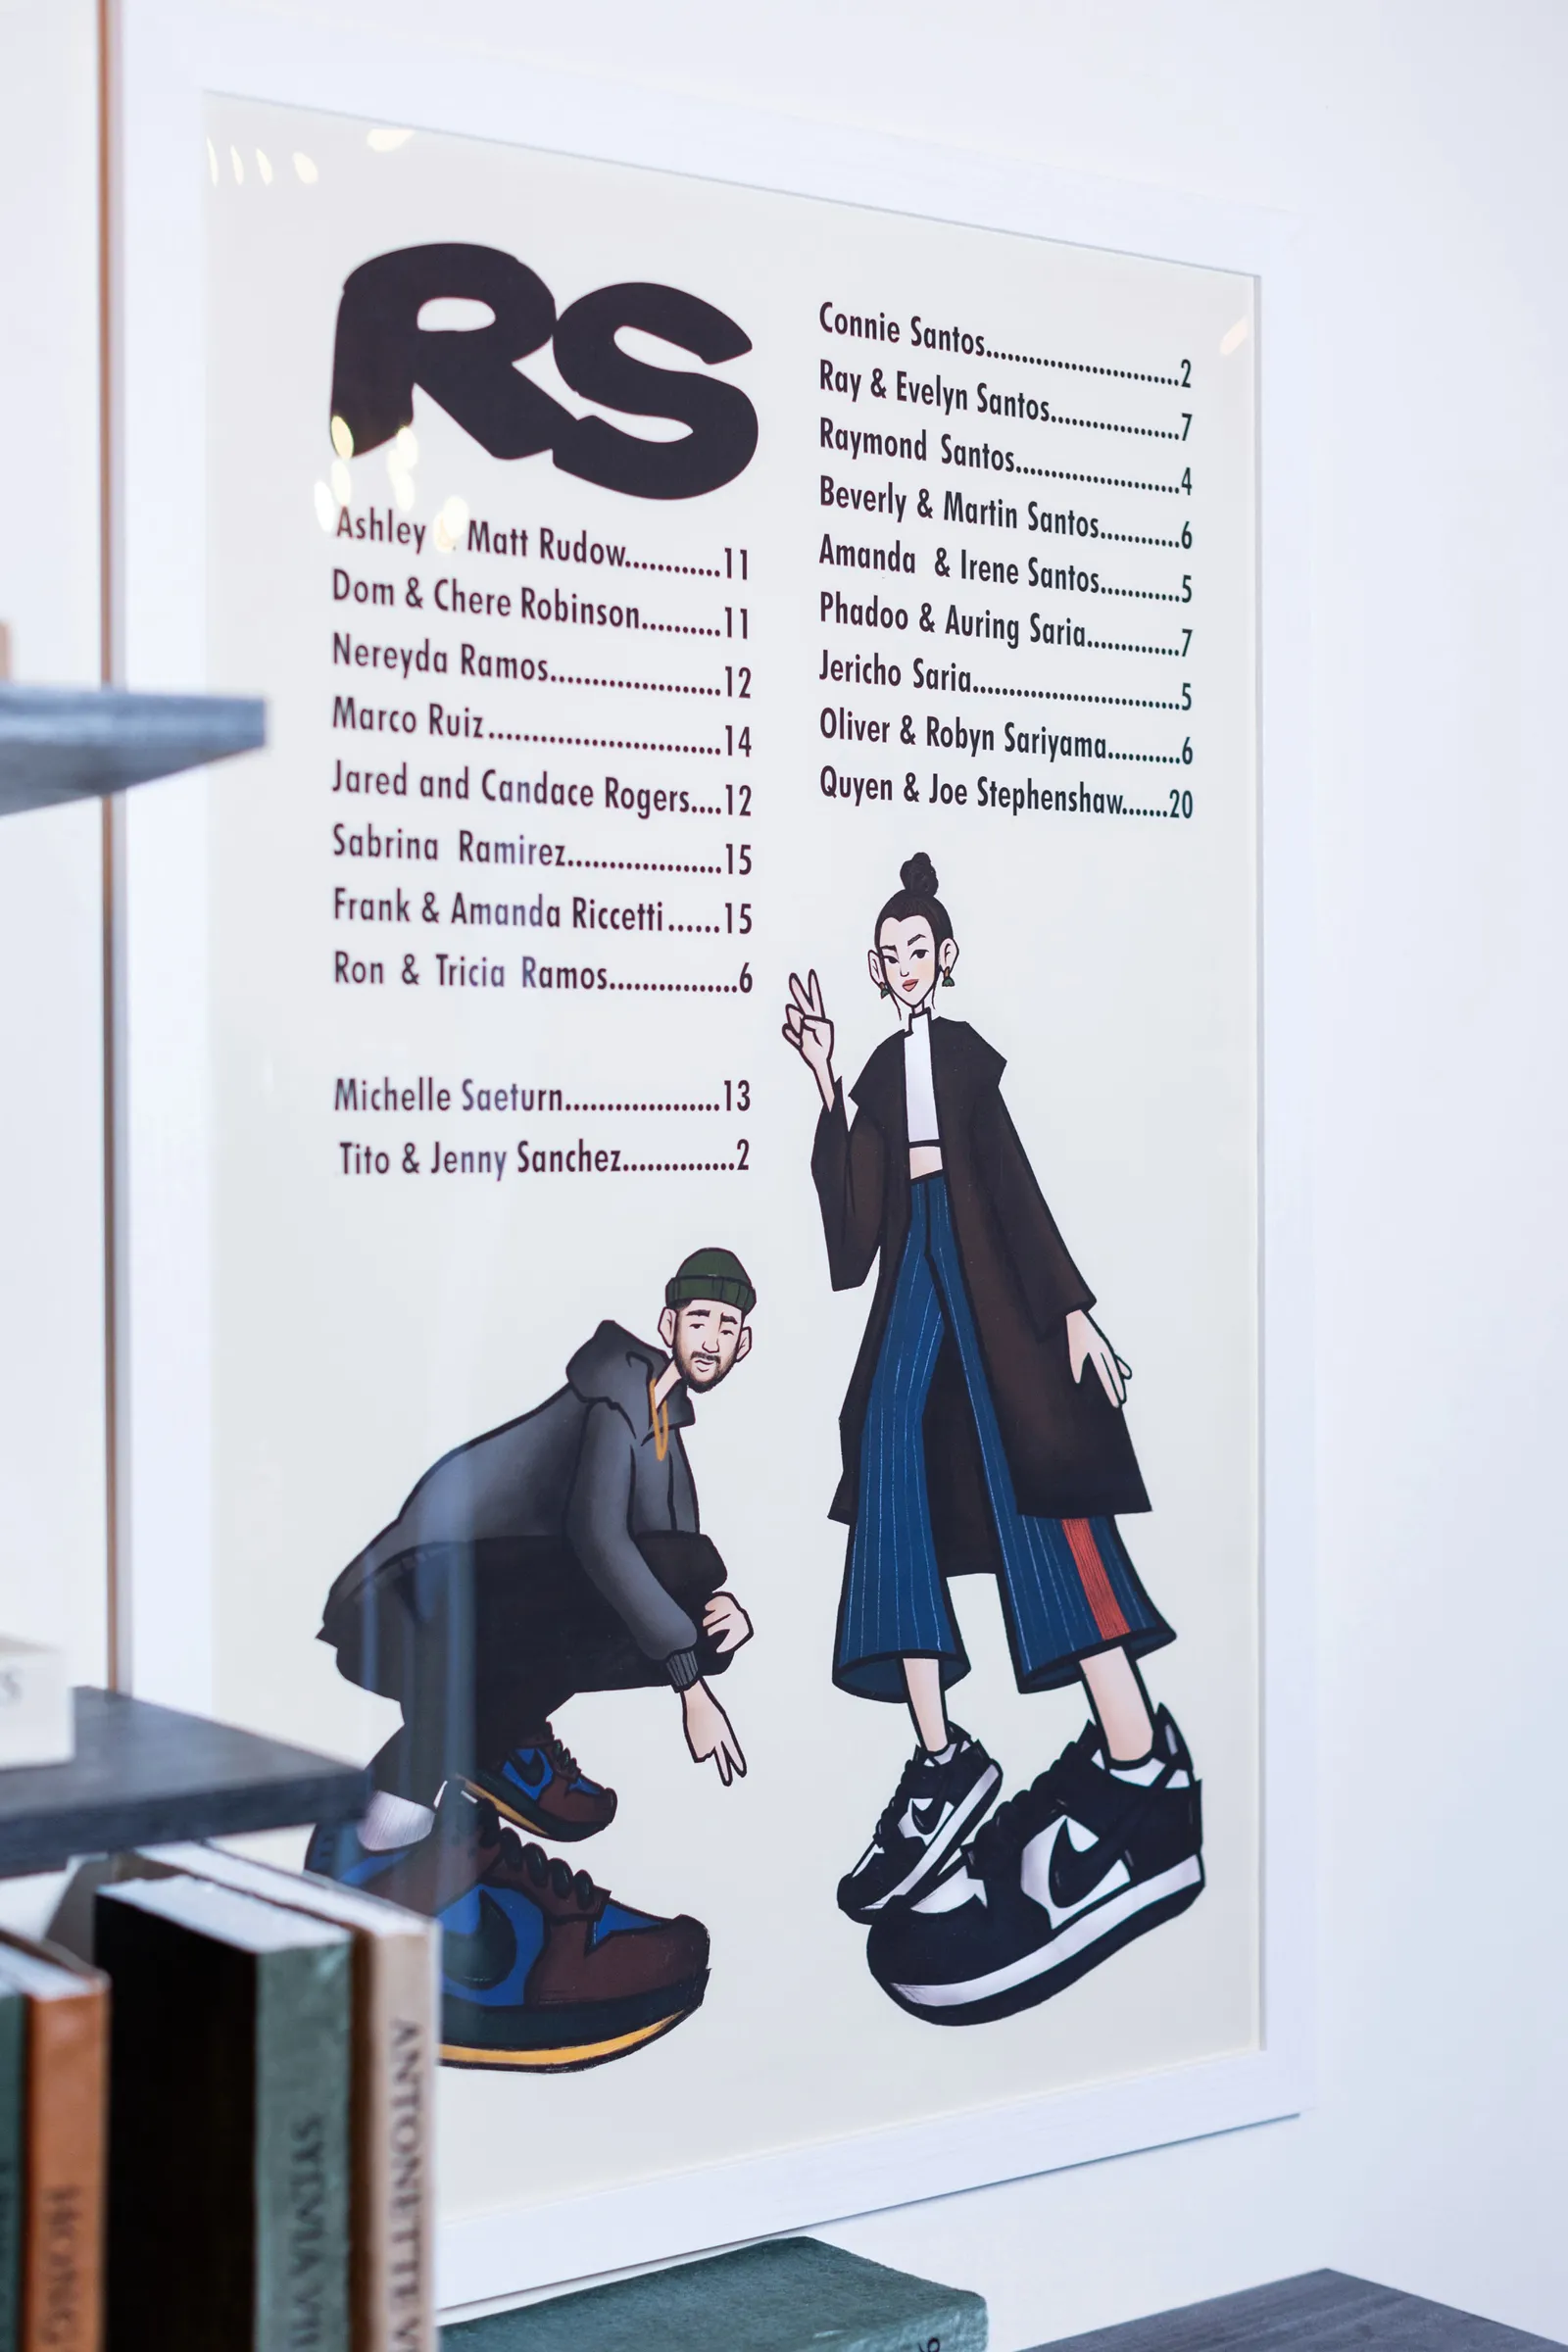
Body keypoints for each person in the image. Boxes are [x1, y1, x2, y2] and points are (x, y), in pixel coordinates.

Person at [783, 855, 1202, 2023]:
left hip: (988, 1276)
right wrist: (826, 1083)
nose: (902, 967)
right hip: (914, 1263)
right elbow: (855, 1236)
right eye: (888, 956)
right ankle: (942, 1757)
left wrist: (1070, 1311)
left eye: (916, 950)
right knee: (886, 1455)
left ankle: (1139, 1765)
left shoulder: (965, 1061)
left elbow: (1012, 1188)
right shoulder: (878, 1072)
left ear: (944, 958)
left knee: (1040, 1490)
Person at [305, 1246, 758, 2068]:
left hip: (476, 1601)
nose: (713, 1340)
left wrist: (711, 1623)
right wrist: (689, 1685)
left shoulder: (662, 1426)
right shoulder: (617, 1399)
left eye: (728, 1328)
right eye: (702, 1321)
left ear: (743, 1344)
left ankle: (492, 1739)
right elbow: (599, 1540)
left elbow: (677, 1556)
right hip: (410, 1599)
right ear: (669, 1323)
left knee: (694, 1606)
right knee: (665, 1605)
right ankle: (394, 1854)